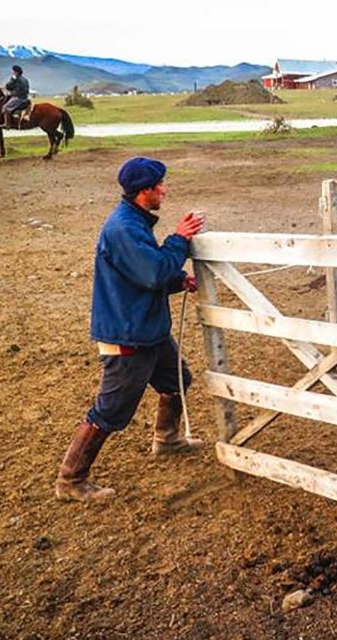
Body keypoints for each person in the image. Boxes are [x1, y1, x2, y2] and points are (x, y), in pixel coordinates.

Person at [55, 157, 206, 502]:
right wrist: (179, 239)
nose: (164, 191)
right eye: (159, 186)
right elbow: (152, 273)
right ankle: (71, 479)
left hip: (146, 328)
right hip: (128, 335)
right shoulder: (124, 228)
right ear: (144, 192)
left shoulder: (134, 222)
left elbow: (145, 276)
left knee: (176, 381)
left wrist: (180, 280)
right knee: (110, 411)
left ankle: (167, 439)